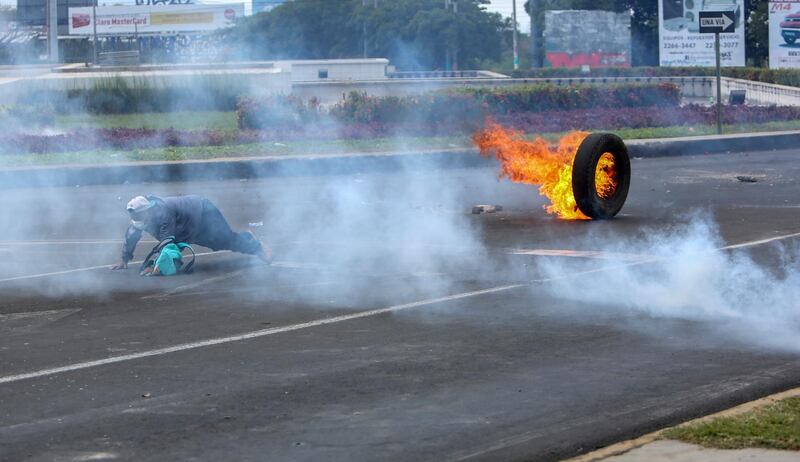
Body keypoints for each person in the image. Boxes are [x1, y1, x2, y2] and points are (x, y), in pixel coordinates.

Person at [111, 195, 272, 270]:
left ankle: (257, 247)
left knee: (225, 239)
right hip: (188, 227)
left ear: (147, 211)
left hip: (203, 211)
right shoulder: (141, 219)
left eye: (137, 215)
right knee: (216, 244)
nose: (135, 218)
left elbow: (168, 243)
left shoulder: (162, 214)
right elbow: (132, 236)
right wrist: (124, 259)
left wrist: (157, 266)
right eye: (133, 215)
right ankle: (247, 238)